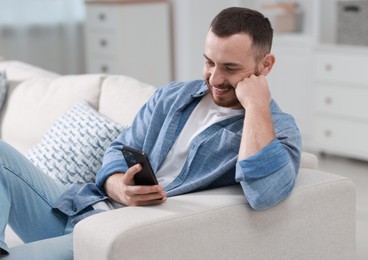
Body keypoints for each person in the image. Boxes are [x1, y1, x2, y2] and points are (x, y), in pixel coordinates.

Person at [0, 6, 301, 259]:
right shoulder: (172, 97)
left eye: (231, 68)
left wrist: (257, 104)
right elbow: (119, 148)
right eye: (209, 62)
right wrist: (119, 186)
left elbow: (263, 193)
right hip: (83, 207)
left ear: (265, 65)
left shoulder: (279, 129)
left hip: (121, 234)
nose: (215, 78)